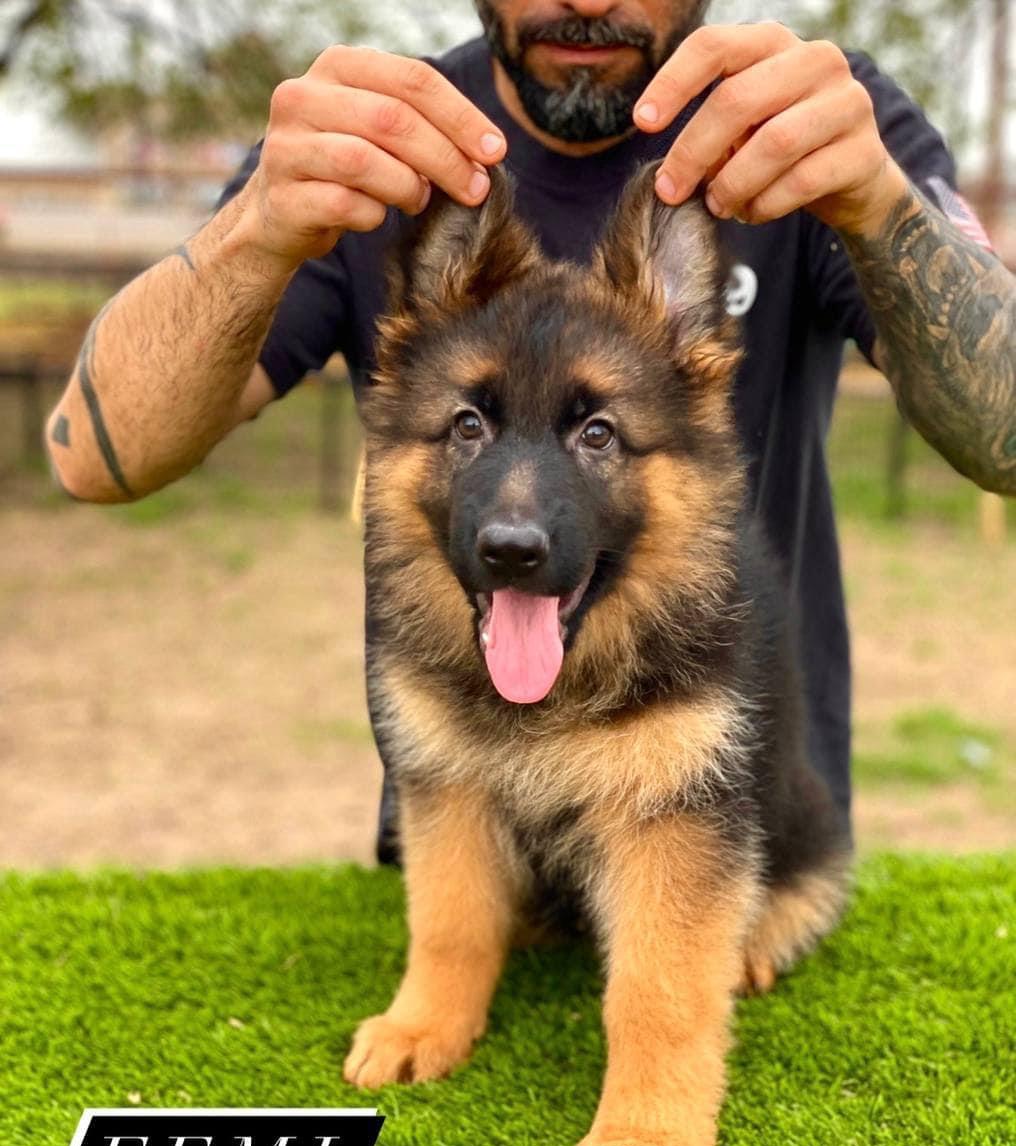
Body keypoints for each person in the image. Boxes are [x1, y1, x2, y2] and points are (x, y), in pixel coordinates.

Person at [45, 0, 1015, 862]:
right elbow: (93, 455)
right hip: (466, 831)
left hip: (734, 836)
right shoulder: (372, 143)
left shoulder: (814, 121)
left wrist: (880, 205)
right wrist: (256, 227)